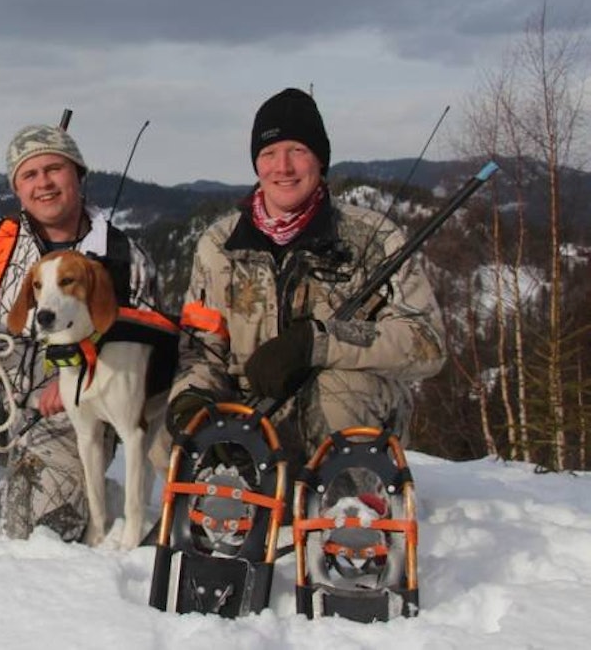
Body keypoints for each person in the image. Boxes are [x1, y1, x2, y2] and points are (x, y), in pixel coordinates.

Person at [0, 124, 162, 540]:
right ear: (17, 188)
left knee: (36, 533)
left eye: (54, 169)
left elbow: (152, 343)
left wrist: (81, 377)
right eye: (29, 175)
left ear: (78, 174)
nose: (44, 184)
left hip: (67, 418)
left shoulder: (124, 260)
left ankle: (49, 484)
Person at [166, 88, 446, 469]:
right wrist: (192, 399)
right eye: (268, 153)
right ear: (256, 163)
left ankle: (346, 510)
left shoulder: (375, 236)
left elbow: (426, 343)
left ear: (320, 159)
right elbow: (201, 349)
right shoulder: (218, 244)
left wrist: (319, 343)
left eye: (297, 150)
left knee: (336, 389)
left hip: (349, 411)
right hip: (254, 413)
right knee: (177, 429)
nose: (282, 167)